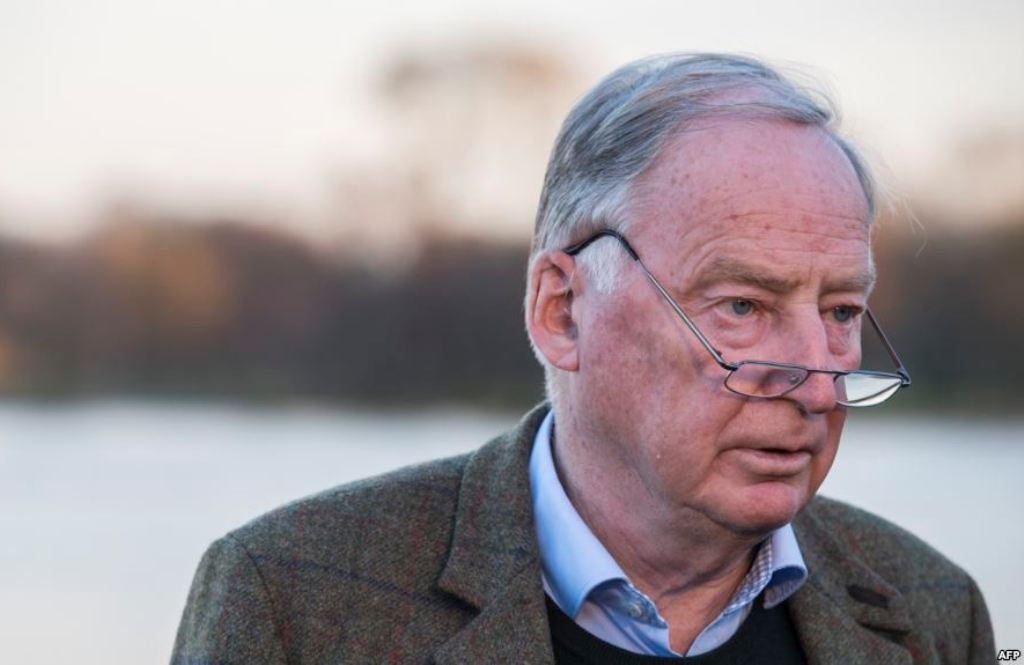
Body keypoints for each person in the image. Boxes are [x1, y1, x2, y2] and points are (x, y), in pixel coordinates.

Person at [172, 53, 995, 664]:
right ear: (562, 310)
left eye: (842, 312)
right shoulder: (295, 599)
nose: (818, 379)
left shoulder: (936, 610)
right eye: (743, 306)